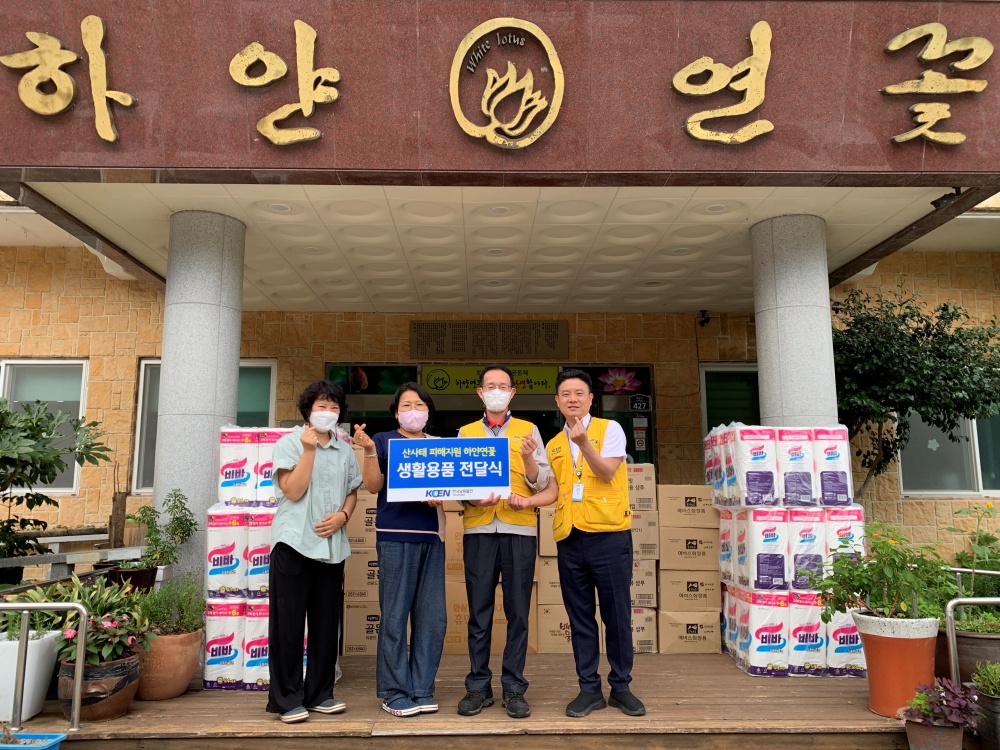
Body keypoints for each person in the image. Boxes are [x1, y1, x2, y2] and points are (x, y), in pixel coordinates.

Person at [509, 368, 645, 718]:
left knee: (616, 615)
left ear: (589, 399)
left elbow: (606, 472)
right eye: (565, 394)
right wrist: (527, 495)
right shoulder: (554, 444)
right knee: (580, 617)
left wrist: (583, 442)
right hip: (570, 538)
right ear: (557, 401)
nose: (572, 399)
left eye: (579, 393)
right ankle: (589, 689)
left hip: (610, 536)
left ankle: (621, 686)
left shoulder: (608, 430)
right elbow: (552, 489)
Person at [455, 365, 555, 719]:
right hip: (479, 529)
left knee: (518, 613)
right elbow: (457, 485)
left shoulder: (529, 430)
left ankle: (513, 688)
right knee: (479, 614)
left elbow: (543, 483)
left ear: (513, 392)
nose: (496, 391)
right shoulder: (465, 433)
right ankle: (478, 687)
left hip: (519, 529)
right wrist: (472, 499)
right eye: (490, 386)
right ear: (480, 393)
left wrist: (529, 459)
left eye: (503, 386)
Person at [266, 380, 360, 724]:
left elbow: (352, 490)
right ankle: (286, 699)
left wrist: (344, 515)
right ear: (308, 411)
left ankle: (320, 693)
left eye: (334, 408)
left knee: (325, 624)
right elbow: (291, 490)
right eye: (321, 406)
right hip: (294, 544)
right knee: (288, 625)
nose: (328, 413)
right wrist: (308, 451)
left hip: (332, 547)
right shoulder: (289, 443)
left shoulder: (345, 449)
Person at [352, 382, 447, 718]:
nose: (413, 411)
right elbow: (373, 485)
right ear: (396, 412)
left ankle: (422, 688)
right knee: (394, 616)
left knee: (432, 618)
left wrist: (442, 492)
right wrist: (366, 450)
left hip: (432, 537)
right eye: (406, 405)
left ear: (428, 411)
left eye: (419, 405)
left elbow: (452, 486)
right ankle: (394, 691)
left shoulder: (439, 446)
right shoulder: (383, 440)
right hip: (394, 535)